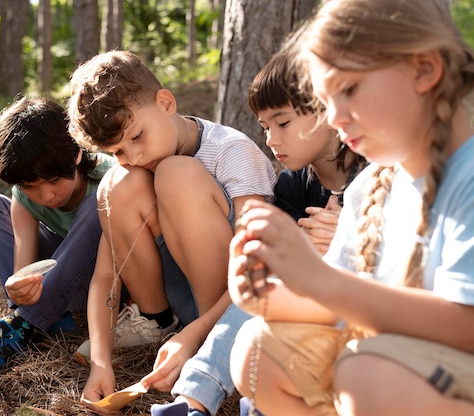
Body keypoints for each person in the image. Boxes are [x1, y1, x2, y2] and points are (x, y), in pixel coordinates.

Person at [228, 1, 474, 415]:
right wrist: (263, 294)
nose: (335, 117)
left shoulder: (467, 175)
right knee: (256, 350)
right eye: (326, 99)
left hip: (431, 378)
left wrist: (320, 279)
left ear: (424, 70)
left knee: (368, 374)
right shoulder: (371, 188)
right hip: (397, 376)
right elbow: (336, 305)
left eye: (349, 90)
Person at [147, 47, 365, 416]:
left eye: (282, 123)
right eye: (265, 127)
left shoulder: (375, 173)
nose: (271, 140)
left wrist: (350, 240)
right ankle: (192, 402)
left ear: (327, 110)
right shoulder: (294, 187)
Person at [66, 50, 277, 414]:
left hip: (235, 304)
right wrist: (101, 360)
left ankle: (210, 340)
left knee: (176, 173)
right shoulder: (132, 168)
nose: (132, 155)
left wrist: (195, 337)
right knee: (117, 184)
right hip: (183, 305)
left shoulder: (232, 152)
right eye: (116, 150)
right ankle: (158, 323)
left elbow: (257, 267)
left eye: (137, 136)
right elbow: (107, 272)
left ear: (165, 103)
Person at [0, 96, 116, 375]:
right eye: (30, 186)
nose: (46, 196)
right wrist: (20, 288)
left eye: (54, 181)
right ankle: (41, 319)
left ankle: (25, 325)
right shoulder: (24, 196)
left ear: (76, 155)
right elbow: (25, 268)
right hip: (66, 285)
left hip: (114, 285)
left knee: (101, 201)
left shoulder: (108, 175)